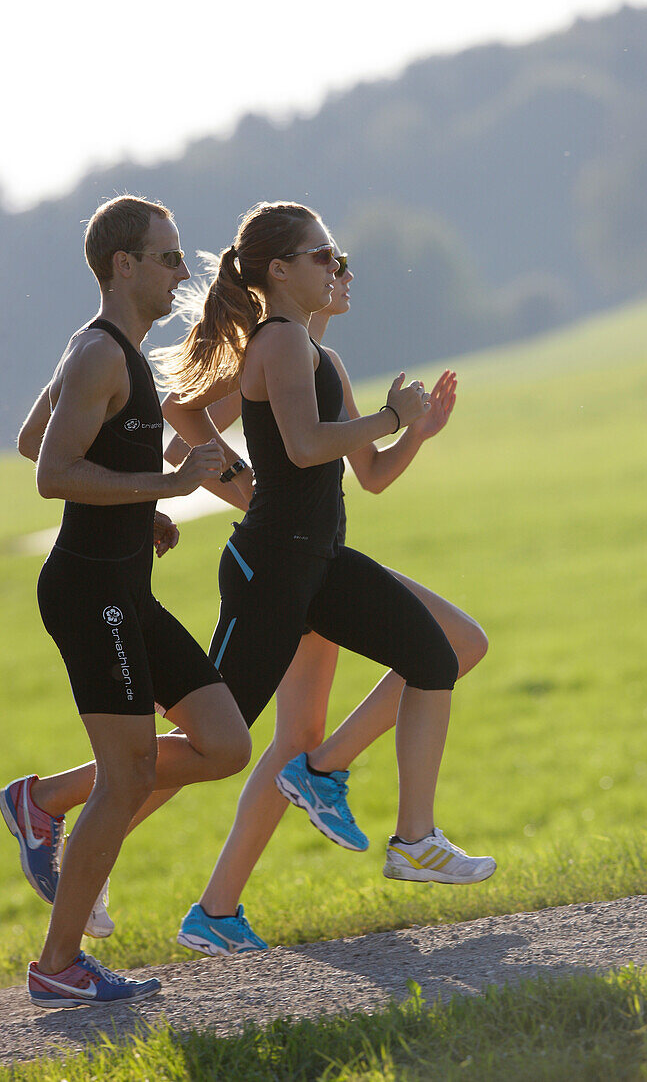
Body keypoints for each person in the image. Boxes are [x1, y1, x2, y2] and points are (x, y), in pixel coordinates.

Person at [155, 200, 496, 955]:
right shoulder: (277, 344)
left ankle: (224, 903)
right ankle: (63, 807)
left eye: (340, 260)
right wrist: (381, 421)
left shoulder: (317, 358)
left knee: (426, 663)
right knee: (218, 739)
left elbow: (366, 477)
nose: (341, 271)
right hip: (277, 565)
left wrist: (414, 434)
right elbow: (286, 441)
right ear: (280, 270)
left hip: (312, 559)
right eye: (326, 257)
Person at [2, 195, 252, 1008]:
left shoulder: (109, 352)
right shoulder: (103, 356)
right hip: (87, 592)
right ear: (124, 265)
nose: (182, 270)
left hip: (123, 590)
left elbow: (36, 437)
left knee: (223, 745)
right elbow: (48, 474)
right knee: (132, 770)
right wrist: (166, 487)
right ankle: (58, 966)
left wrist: (139, 509)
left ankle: (39, 802)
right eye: (168, 256)